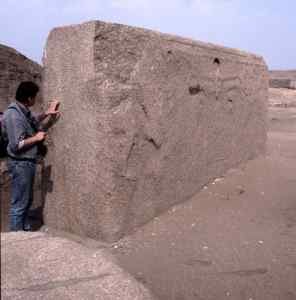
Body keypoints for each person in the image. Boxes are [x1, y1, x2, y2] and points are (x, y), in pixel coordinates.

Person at [1, 81, 60, 231]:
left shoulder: (22, 111)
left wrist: (47, 113)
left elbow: (33, 119)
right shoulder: (14, 116)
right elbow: (16, 145)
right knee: (19, 204)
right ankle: (16, 238)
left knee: (26, 200)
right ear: (29, 98)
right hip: (20, 163)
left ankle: (25, 230)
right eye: (34, 97)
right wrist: (37, 138)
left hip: (26, 162)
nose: (35, 99)